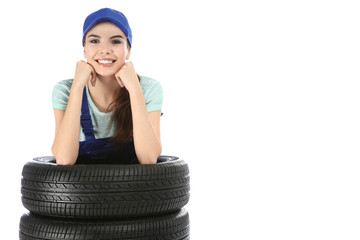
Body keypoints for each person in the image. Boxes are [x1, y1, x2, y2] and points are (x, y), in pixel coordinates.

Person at [51, 8, 163, 165]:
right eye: (94, 41)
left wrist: (135, 90)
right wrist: (77, 87)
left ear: (128, 51)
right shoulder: (64, 91)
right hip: (83, 189)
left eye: (116, 41)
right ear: (85, 50)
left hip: (134, 189)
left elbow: (149, 158)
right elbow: (64, 159)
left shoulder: (149, 88)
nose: (105, 50)